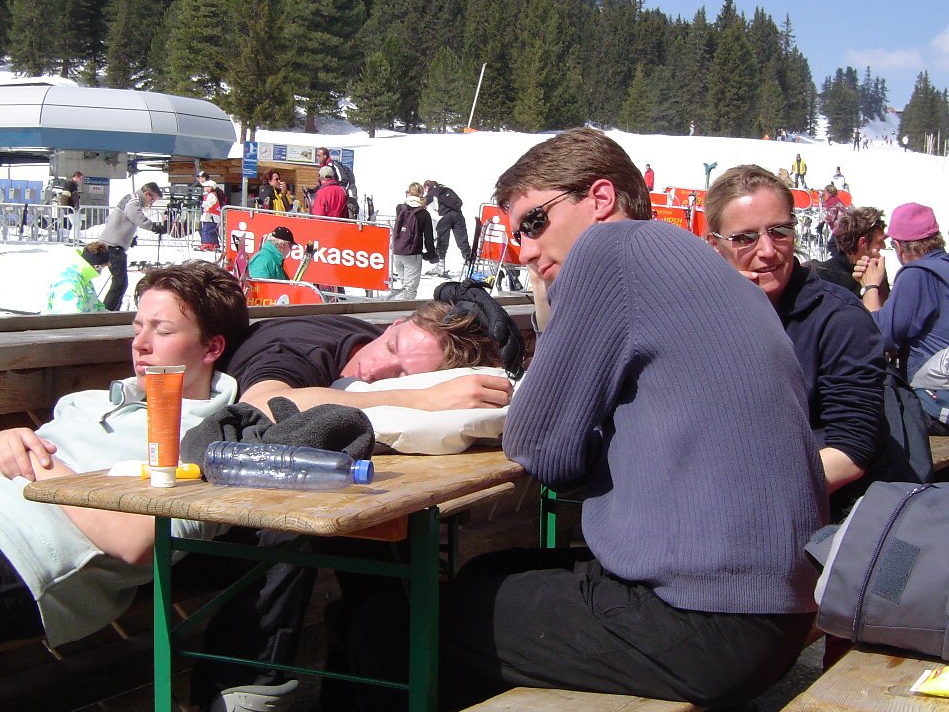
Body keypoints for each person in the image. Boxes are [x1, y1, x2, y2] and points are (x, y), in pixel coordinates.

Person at [347, 127, 827, 711]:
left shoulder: (611, 251)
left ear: (601, 199)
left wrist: (550, 310)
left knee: (387, 624)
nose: (523, 250)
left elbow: (541, 449)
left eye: (533, 222)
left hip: (705, 621)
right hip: (774, 611)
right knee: (485, 576)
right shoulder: (698, 263)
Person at [190, 297, 517, 711]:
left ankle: (376, 682)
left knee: (388, 526)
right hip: (214, 500)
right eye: (392, 347)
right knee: (303, 522)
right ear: (393, 324)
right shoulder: (297, 349)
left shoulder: (365, 356)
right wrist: (422, 398)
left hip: (314, 501)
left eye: (404, 375)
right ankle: (247, 688)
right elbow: (266, 407)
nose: (378, 369)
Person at [0, 261, 247, 654]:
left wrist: (39, 470)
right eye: (136, 327)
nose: (140, 343)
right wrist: (1, 443)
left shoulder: (209, 438)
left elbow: (139, 543)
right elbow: (6, 462)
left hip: (8, 552)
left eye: (161, 330)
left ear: (212, 347)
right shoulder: (86, 401)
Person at [705, 165, 885, 517]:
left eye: (780, 231)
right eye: (745, 238)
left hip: (802, 521)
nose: (768, 250)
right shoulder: (700, 315)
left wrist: (742, 492)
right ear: (715, 245)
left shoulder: (839, 319)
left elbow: (851, 450)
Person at [855, 202, 949, 435]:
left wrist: (870, 287)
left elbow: (879, 338)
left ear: (898, 246)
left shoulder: (916, 274)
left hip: (934, 404)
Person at [98, 182, 167, 311]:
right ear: (147, 193)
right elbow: (137, 217)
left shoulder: (129, 198)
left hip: (111, 242)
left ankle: (111, 310)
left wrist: (127, 237)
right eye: (152, 199)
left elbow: (113, 218)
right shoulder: (134, 201)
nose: (151, 203)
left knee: (119, 282)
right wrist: (153, 226)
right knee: (120, 283)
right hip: (114, 246)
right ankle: (108, 311)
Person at [811, 206, 888, 297]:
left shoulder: (875, 270)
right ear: (863, 243)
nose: (884, 246)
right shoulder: (825, 277)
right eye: (880, 242)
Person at [391, 182, 437, 300]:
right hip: (413, 254)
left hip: (398, 252)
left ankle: (400, 312)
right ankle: (403, 315)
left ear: (409, 193)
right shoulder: (424, 213)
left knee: (404, 287)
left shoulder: (400, 208)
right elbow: (428, 237)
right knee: (410, 290)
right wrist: (431, 254)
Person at [43, 241, 110, 314]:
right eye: (101, 268)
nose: (99, 273)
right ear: (96, 266)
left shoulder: (85, 281)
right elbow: (69, 318)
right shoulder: (69, 284)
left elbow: (97, 309)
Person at [423, 179, 471, 278]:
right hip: (458, 216)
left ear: (427, 187)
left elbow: (423, 203)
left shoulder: (432, 193)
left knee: (442, 242)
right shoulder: (446, 190)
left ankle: (440, 268)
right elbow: (459, 203)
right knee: (463, 242)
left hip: (444, 218)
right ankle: (470, 266)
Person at [198, 180, 222, 252]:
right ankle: (213, 243)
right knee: (209, 230)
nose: (204, 188)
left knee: (208, 230)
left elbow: (210, 203)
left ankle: (209, 244)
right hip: (210, 216)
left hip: (211, 216)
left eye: (206, 187)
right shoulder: (210, 194)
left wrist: (202, 203)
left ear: (210, 187)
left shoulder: (212, 195)